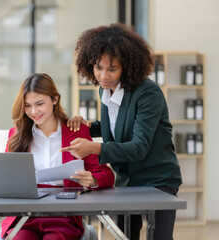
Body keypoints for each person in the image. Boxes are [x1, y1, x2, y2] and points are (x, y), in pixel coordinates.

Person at [60, 23, 182, 240]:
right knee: (125, 235)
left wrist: (95, 148)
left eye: (112, 69)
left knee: (160, 237)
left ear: (127, 66)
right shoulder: (105, 89)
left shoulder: (147, 93)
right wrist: (88, 126)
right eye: (98, 67)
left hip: (158, 179)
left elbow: (139, 146)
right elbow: (116, 127)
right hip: (128, 180)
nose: (103, 75)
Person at [0, 73, 114, 240]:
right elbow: (4, 176)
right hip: (25, 216)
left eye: (39, 104)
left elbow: (106, 175)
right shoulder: (16, 135)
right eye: (27, 106)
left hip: (63, 215)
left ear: (54, 99)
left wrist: (92, 180)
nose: (34, 112)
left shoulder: (77, 132)